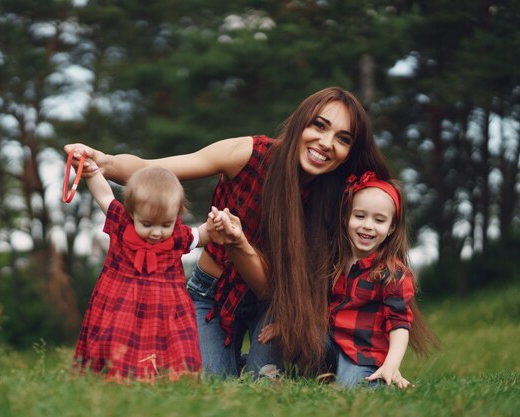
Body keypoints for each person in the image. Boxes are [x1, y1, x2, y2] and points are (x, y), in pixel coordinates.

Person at [65, 86, 392, 378]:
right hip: (210, 296)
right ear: (299, 123)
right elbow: (156, 168)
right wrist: (102, 162)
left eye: (342, 138)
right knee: (207, 382)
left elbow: (267, 289)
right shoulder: (249, 155)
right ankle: (240, 363)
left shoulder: (336, 199)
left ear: (350, 150)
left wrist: (239, 243)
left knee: (261, 383)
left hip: (276, 306)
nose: (326, 143)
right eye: (319, 126)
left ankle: (304, 360)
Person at [259, 171, 439, 387]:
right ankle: (282, 373)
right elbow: (317, 306)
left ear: (391, 228)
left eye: (379, 220)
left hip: (362, 354)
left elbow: (399, 323)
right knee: (302, 337)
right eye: (360, 216)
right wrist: (288, 327)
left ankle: (379, 380)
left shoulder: (392, 273)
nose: (368, 225)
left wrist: (392, 363)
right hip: (328, 344)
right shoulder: (333, 259)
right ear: (346, 218)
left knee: (352, 389)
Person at [73, 163, 210, 380]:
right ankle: (116, 378)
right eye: (147, 224)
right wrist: (93, 172)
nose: (156, 233)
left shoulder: (178, 236)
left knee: (174, 345)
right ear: (131, 212)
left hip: (166, 308)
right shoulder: (120, 223)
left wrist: (216, 225)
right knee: (116, 343)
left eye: (166, 224)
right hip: (121, 304)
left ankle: (174, 380)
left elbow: (201, 235)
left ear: (176, 215)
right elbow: (104, 196)